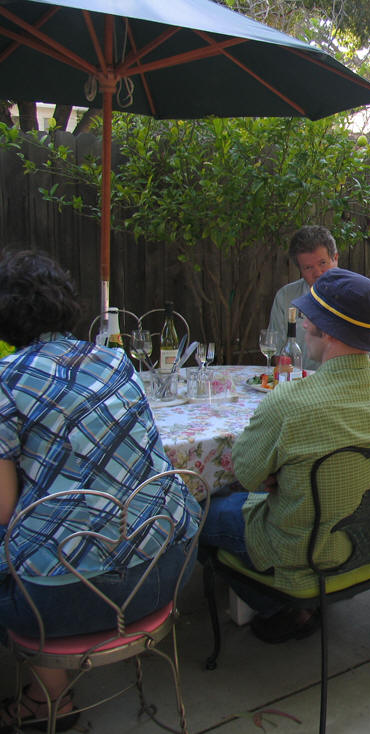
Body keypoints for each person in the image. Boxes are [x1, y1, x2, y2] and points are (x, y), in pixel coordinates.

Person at [0, 250, 202, 731]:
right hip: (168, 569)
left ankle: (46, 699)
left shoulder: (7, 380)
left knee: (25, 548)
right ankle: (47, 697)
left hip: (68, 600)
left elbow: (4, 511)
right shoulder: (115, 362)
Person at [202, 268, 370, 643]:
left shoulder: (289, 401)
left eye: (309, 319)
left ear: (328, 332)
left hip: (300, 556)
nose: (302, 326)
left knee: (201, 511)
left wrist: (275, 476)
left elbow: (246, 474)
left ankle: (282, 607)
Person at [268, 225, 370, 369]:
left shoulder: (362, 295)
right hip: (301, 379)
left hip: (348, 380)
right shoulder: (286, 297)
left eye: (322, 263)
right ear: (300, 269)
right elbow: (278, 355)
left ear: (335, 258)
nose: (318, 273)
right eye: (308, 267)